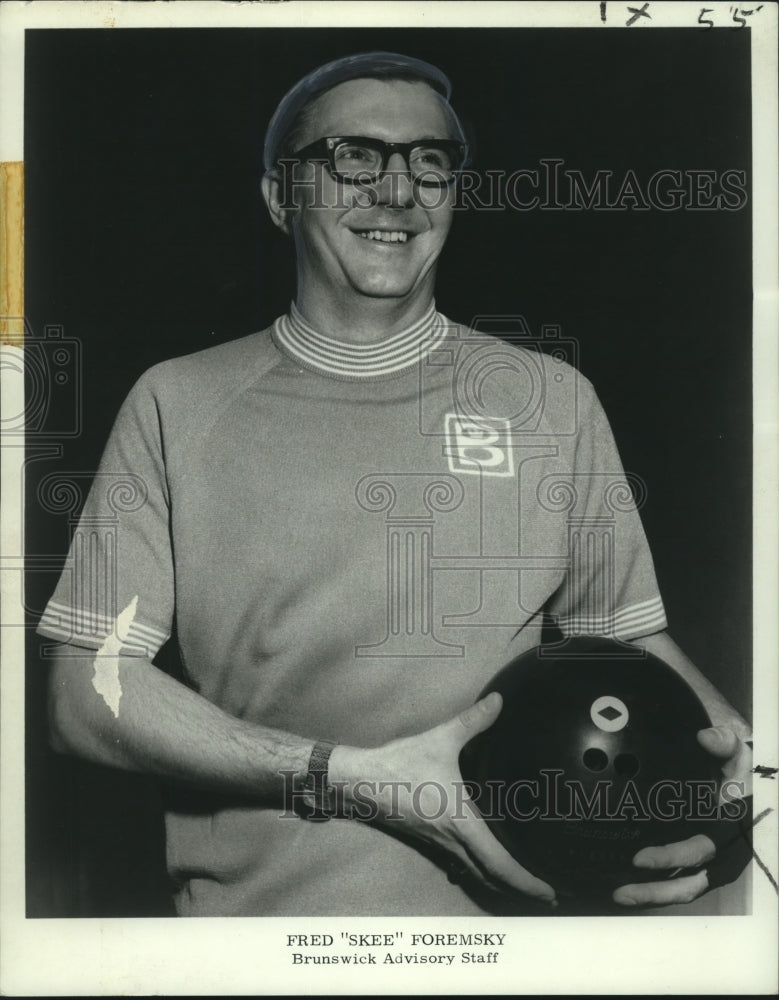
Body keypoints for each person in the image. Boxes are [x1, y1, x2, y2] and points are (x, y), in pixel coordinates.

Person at [39, 51, 753, 917]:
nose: (396, 190)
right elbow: (87, 692)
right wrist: (340, 776)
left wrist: (735, 791)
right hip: (261, 947)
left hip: (522, 944)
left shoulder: (549, 399)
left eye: (429, 162)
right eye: (354, 157)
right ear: (279, 196)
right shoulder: (176, 402)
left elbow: (628, 650)